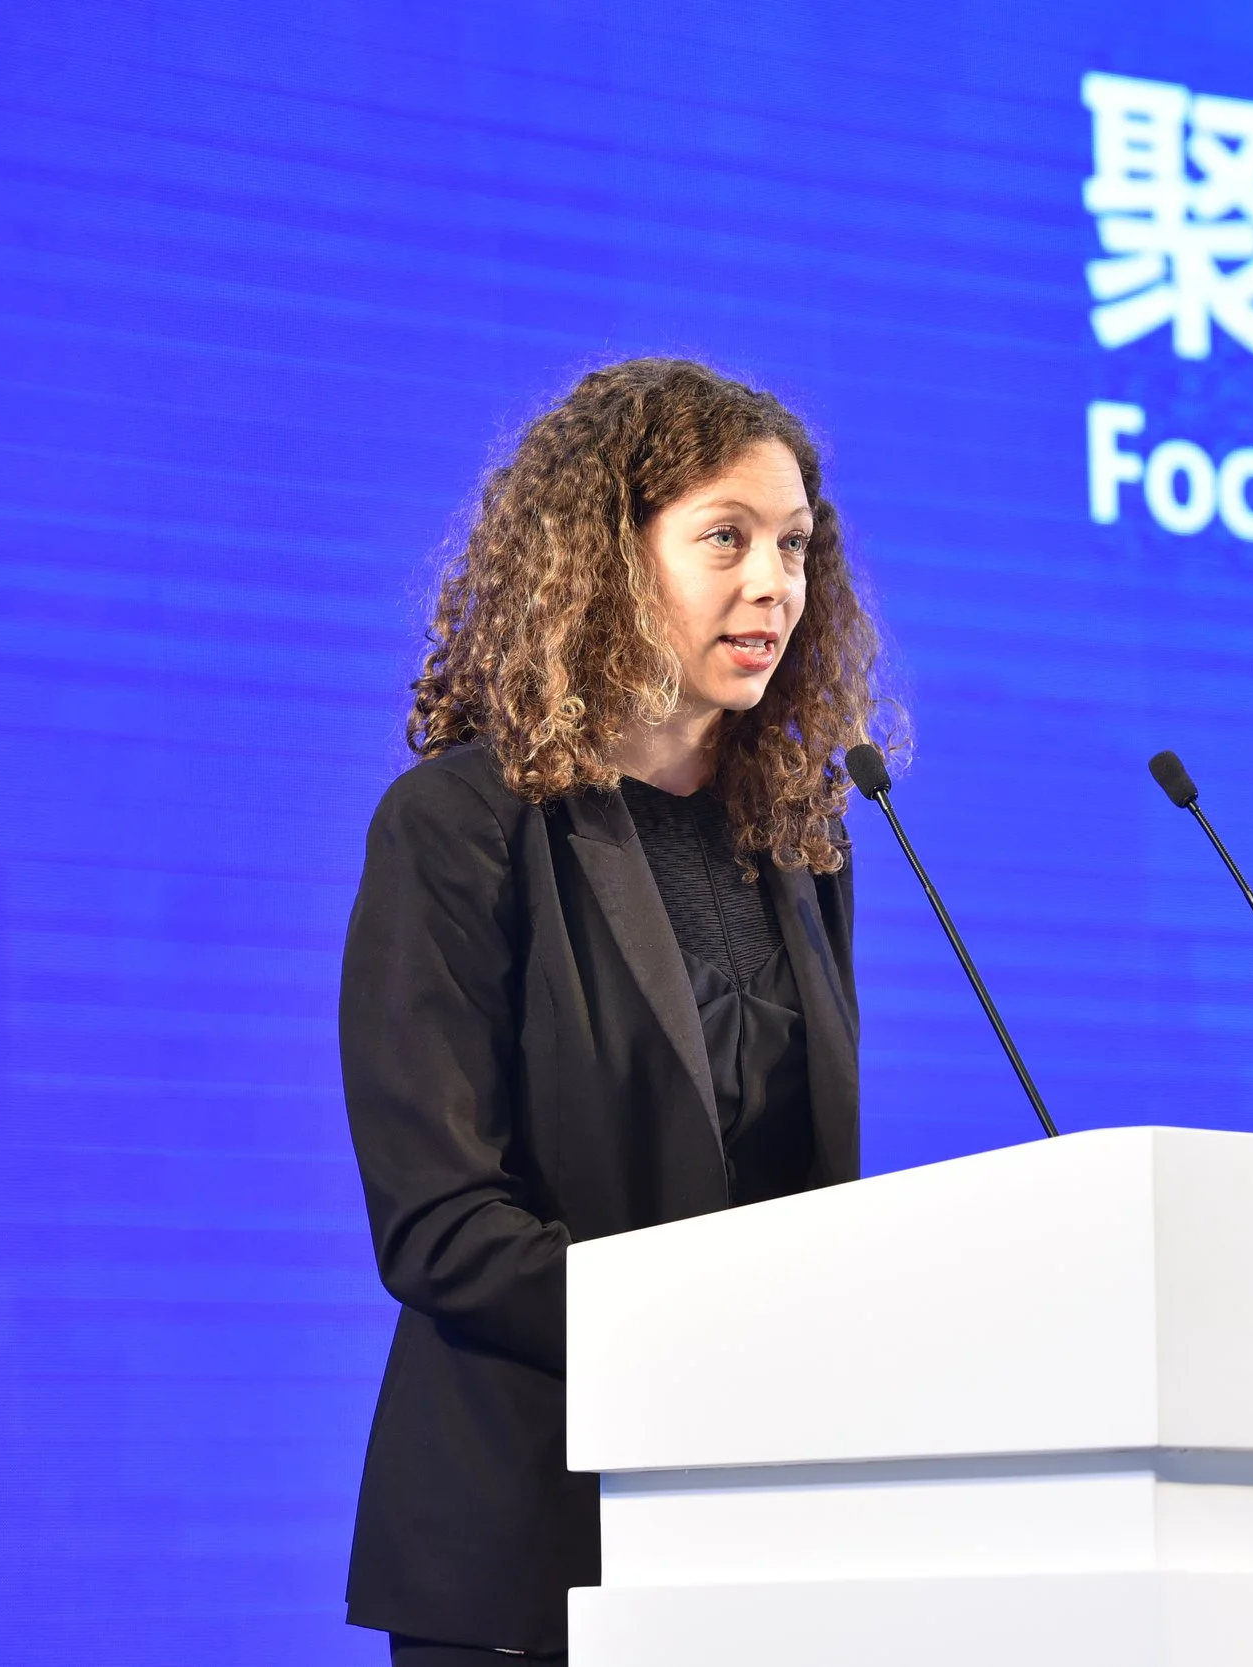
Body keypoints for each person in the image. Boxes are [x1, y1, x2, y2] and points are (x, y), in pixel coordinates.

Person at [337, 358, 889, 1662]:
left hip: (752, 1543)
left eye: (795, 545)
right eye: (726, 538)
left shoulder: (800, 842)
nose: (776, 584)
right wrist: (706, 1349)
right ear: (607, 556)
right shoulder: (462, 824)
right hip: (530, 1544)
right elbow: (443, 1228)